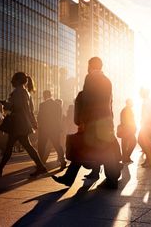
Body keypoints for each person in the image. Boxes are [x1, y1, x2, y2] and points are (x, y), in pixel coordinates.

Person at [51, 57, 121, 189]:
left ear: (90, 66)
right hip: (105, 121)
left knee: (82, 148)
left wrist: (82, 121)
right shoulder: (107, 81)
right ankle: (111, 179)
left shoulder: (90, 78)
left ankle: (69, 178)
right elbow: (109, 103)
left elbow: (88, 101)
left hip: (92, 122)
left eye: (88, 65)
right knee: (103, 150)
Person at [0, 72, 47, 177]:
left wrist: (5, 104)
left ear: (18, 81)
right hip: (22, 123)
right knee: (21, 146)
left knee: (12, 146)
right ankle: (40, 166)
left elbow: (16, 107)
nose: (11, 82)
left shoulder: (18, 92)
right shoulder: (26, 92)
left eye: (13, 80)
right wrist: (33, 122)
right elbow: (30, 110)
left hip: (18, 123)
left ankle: (0, 168)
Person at [37, 90, 66, 170]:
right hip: (55, 129)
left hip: (45, 129)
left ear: (44, 96)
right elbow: (59, 118)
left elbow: (40, 117)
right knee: (57, 145)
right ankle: (62, 161)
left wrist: (39, 126)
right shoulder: (57, 105)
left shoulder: (42, 105)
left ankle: (41, 164)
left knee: (41, 146)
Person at [138, 88, 151, 168]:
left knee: (143, 141)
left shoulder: (147, 101)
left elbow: (148, 114)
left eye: (140, 92)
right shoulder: (147, 101)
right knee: (147, 142)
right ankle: (150, 160)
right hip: (148, 124)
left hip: (148, 125)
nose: (139, 94)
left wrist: (144, 122)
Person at [119, 98, 137, 163]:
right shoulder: (126, 110)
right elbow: (128, 121)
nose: (133, 103)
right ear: (128, 103)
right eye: (131, 102)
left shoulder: (126, 109)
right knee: (132, 142)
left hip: (127, 130)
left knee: (125, 144)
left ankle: (125, 158)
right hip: (127, 130)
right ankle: (126, 157)